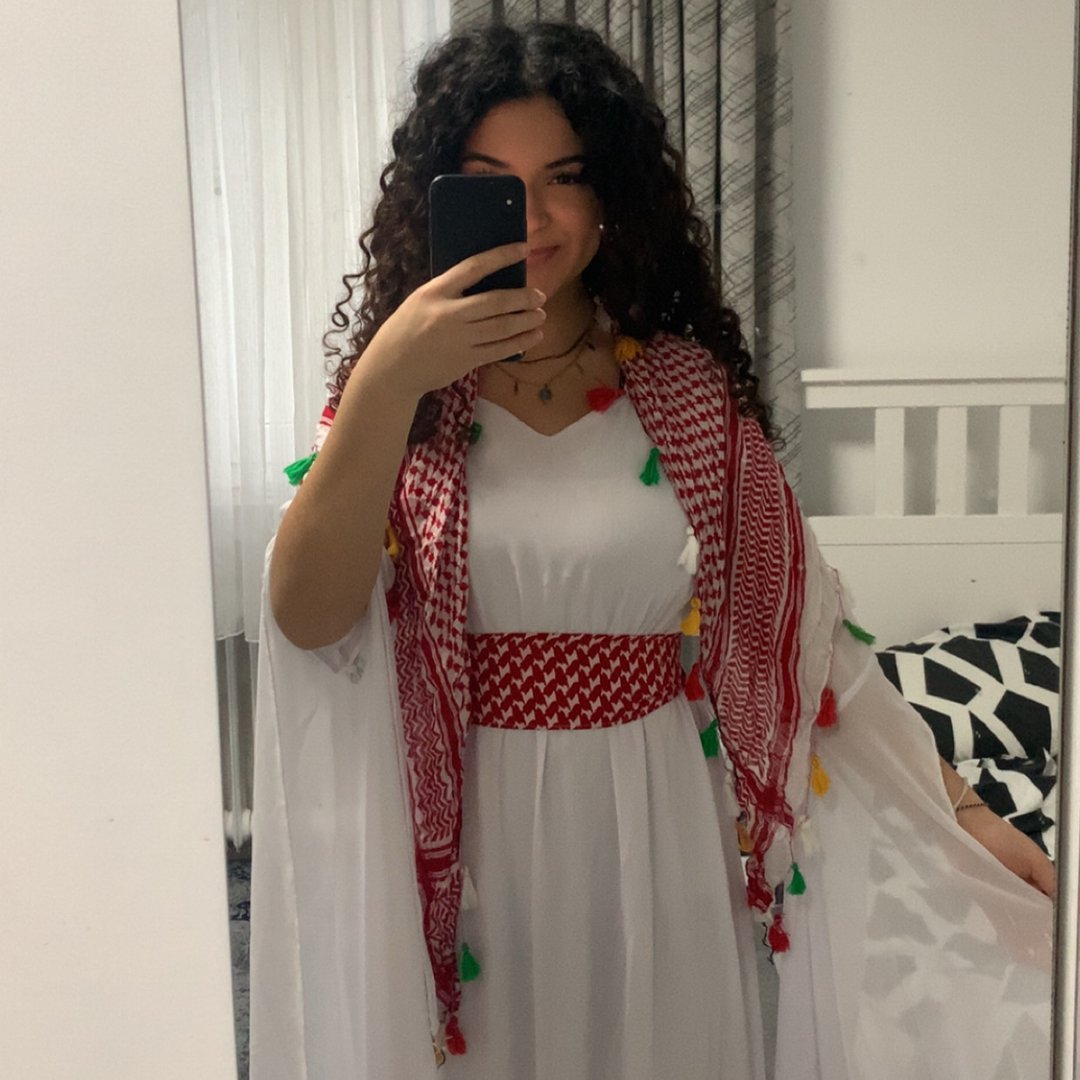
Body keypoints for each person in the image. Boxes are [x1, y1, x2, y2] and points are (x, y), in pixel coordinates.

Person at [250, 21, 1055, 1080]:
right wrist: (389, 379)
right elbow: (308, 619)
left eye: (566, 178)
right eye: (492, 185)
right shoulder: (403, 399)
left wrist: (964, 811)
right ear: (440, 199)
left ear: (612, 195)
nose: (533, 218)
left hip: (655, 823)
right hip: (477, 842)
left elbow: (807, 644)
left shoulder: (684, 394)